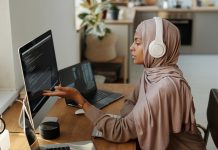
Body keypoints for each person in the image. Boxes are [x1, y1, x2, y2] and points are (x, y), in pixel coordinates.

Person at [43, 17, 206, 150]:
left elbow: (119, 131)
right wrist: (136, 122)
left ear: (157, 48)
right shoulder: (154, 71)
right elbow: (131, 102)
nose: (131, 47)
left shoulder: (164, 87)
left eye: (137, 42)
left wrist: (81, 100)